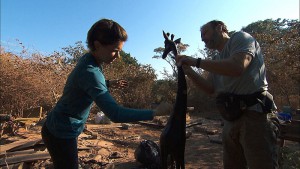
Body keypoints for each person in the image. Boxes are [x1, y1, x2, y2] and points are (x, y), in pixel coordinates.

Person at [41, 18, 172, 169]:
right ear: (97, 45)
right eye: (115, 50)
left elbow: (81, 84)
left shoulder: (89, 59)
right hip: (60, 133)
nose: (118, 56)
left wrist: (108, 83)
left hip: (60, 127)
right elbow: (115, 114)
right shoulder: (91, 72)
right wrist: (155, 112)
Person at [176, 20, 278, 169]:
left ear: (219, 28)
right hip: (231, 119)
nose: (202, 38)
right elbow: (210, 89)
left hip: (256, 117)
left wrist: (195, 61)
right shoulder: (217, 60)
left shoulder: (241, 38)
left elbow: (237, 66)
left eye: (205, 33)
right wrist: (189, 71)